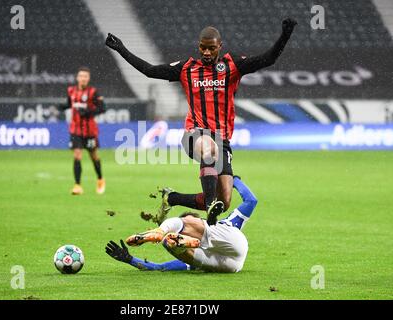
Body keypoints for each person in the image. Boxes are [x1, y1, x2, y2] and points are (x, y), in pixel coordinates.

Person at [105, 18, 296, 224]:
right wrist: (121, 49)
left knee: (225, 200)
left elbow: (267, 59)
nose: (206, 52)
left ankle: (172, 198)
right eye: (203, 48)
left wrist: (285, 35)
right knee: (208, 149)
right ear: (199, 46)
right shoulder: (186, 69)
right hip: (195, 134)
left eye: (211, 48)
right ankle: (210, 209)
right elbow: (150, 70)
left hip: (222, 140)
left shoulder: (232, 66)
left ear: (219, 47)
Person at [105, 176, 257, 273]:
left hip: (219, 262)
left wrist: (130, 260)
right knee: (173, 239)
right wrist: (233, 180)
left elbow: (160, 267)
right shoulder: (232, 221)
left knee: (171, 244)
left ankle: (162, 231)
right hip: (235, 258)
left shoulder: (225, 224)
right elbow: (251, 200)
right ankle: (165, 232)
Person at [61, 67, 106, 195]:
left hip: (90, 131)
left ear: (88, 78)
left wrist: (88, 112)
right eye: (81, 76)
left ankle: (100, 179)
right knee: (77, 155)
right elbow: (69, 104)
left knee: (94, 156)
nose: (83, 78)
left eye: (85, 76)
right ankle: (77, 185)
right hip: (75, 129)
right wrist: (62, 107)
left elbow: (103, 108)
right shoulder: (71, 91)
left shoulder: (93, 92)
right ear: (77, 78)